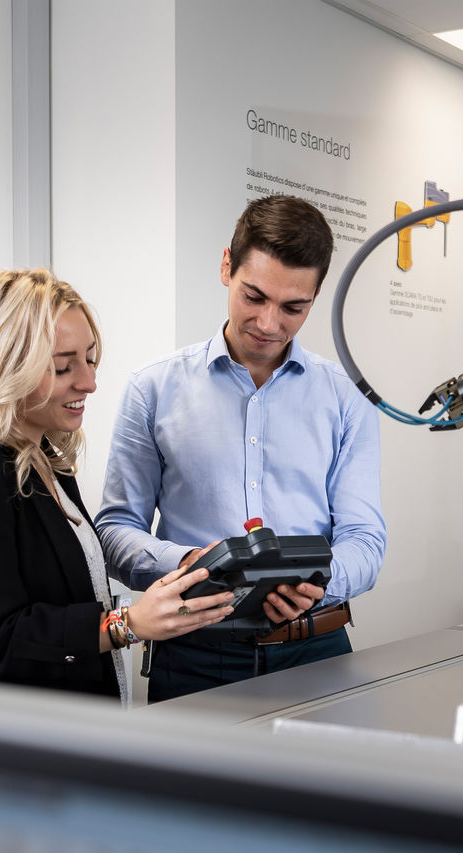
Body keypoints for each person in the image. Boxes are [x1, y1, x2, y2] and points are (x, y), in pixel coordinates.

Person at [96, 195, 386, 702]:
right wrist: (189, 562)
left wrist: (321, 582)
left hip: (315, 650)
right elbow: (116, 531)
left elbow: (365, 538)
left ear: (315, 298)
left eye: (294, 307)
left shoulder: (345, 396)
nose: (270, 324)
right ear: (227, 266)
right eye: (254, 296)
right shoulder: (154, 388)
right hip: (193, 655)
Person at [0, 269, 235, 703]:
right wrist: (128, 623)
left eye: (90, 358)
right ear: (5, 368)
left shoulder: (46, 465)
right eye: (63, 367)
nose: (88, 382)